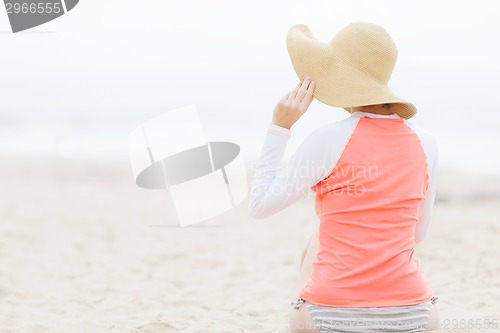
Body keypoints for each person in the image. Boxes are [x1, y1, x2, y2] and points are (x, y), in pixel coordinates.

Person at [248, 22, 440, 332]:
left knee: (319, 236)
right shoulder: (426, 142)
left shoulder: (329, 138)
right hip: (414, 313)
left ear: (339, 77)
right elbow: (417, 235)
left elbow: (259, 206)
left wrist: (279, 127)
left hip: (329, 313)